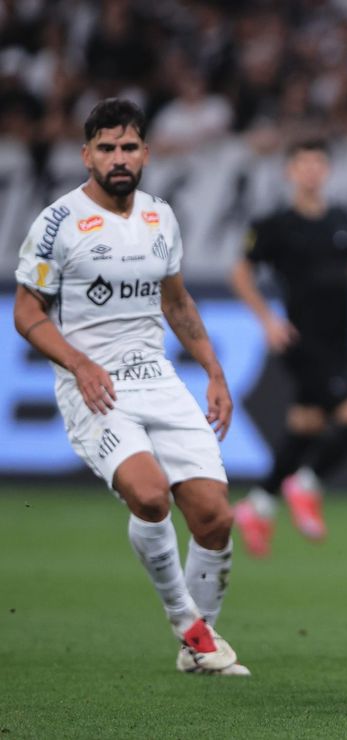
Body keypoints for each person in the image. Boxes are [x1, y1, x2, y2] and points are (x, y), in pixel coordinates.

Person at [11, 98, 249, 676]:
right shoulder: (57, 222)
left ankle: (200, 646)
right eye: (107, 148)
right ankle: (186, 624)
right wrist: (79, 364)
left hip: (157, 378)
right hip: (93, 386)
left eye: (129, 147)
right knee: (148, 495)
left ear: (145, 152)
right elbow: (26, 312)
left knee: (215, 517)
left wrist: (214, 373)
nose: (119, 158)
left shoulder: (160, 216)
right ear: (87, 153)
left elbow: (176, 302)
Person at [229, 139, 347, 558]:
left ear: (327, 170)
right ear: (289, 172)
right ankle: (306, 483)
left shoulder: (341, 217)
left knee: (305, 426)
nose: (311, 171)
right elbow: (240, 274)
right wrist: (267, 319)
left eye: (318, 163)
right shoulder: (275, 224)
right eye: (303, 164)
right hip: (301, 340)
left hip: (338, 338)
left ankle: (256, 505)